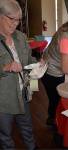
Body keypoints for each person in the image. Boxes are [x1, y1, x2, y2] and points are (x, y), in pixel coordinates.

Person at [0, 0, 37, 149]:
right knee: (5, 134)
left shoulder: (20, 37)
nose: (15, 24)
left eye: (18, 20)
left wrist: (37, 65)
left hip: (23, 93)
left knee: (27, 128)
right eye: (11, 19)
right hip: (3, 100)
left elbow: (29, 60)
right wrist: (5, 67)